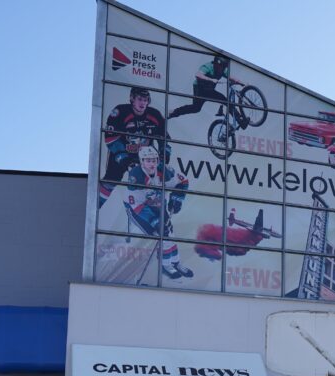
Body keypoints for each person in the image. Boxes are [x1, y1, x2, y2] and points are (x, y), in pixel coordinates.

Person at [122, 144, 194, 280]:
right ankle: (166, 266)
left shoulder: (164, 171)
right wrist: (154, 221)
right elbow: (137, 205)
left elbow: (183, 181)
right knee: (162, 235)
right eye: (148, 161)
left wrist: (177, 198)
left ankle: (176, 263)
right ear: (141, 161)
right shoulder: (136, 176)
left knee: (170, 234)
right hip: (137, 209)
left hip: (158, 204)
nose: (152, 164)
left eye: (154, 160)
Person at [100, 87, 166, 208]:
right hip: (121, 152)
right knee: (111, 180)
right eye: (140, 99)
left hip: (145, 156)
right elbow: (110, 138)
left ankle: (148, 212)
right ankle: (95, 205)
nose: (143, 103)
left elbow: (164, 139)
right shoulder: (120, 111)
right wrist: (121, 156)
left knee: (151, 183)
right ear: (132, 99)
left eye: (146, 100)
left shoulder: (155, 114)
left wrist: (164, 152)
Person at [168, 54, 240, 122]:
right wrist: (211, 79)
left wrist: (243, 84)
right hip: (200, 90)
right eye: (220, 67)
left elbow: (232, 78)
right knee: (195, 108)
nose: (221, 70)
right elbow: (198, 75)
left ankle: (240, 120)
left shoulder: (223, 70)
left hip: (209, 91)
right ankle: (173, 112)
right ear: (216, 64)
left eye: (223, 68)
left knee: (225, 100)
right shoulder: (208, 67)